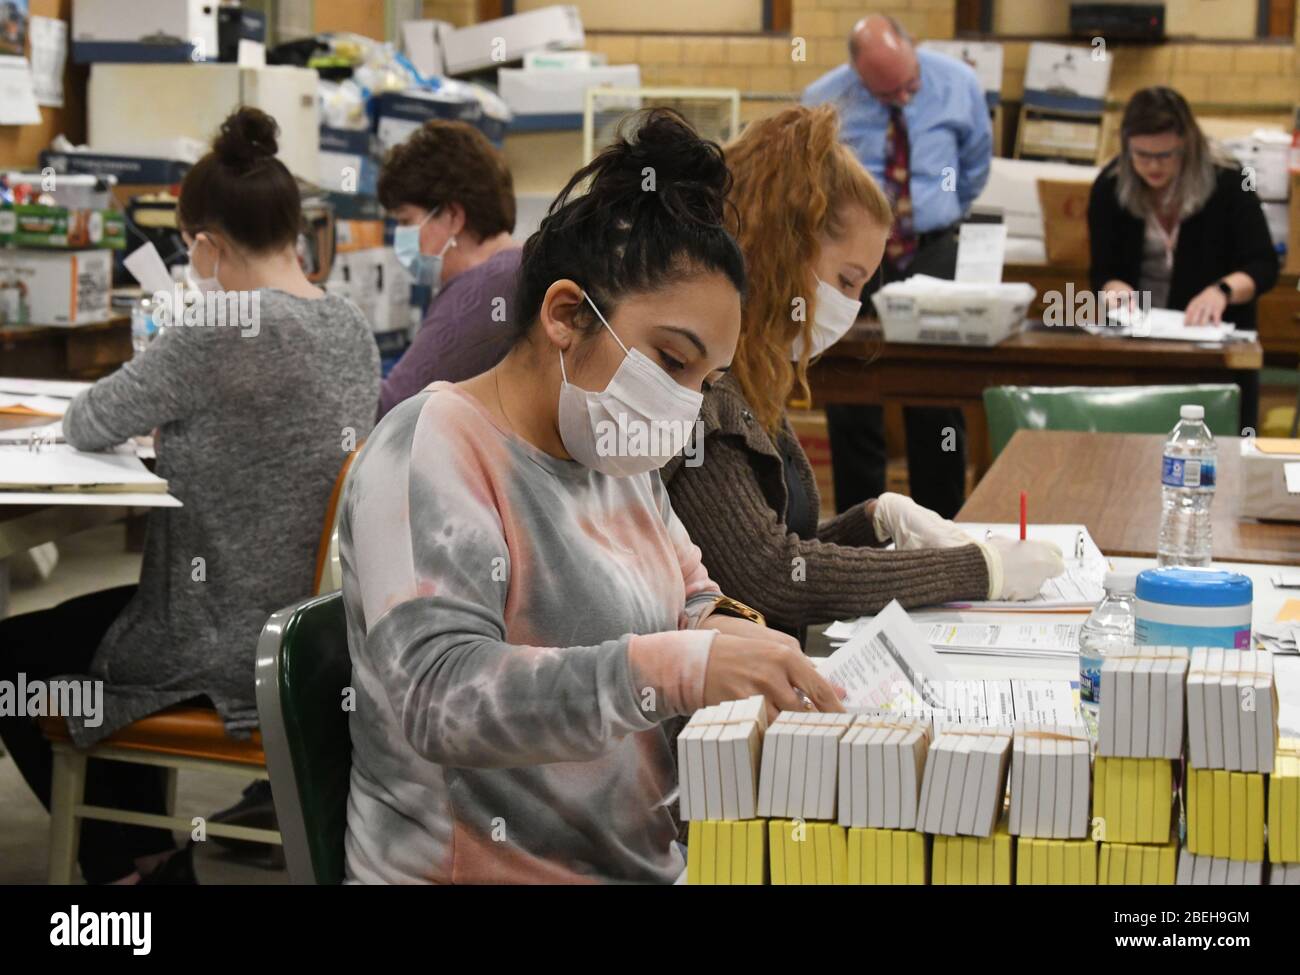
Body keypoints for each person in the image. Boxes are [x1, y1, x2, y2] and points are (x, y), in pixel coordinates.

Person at [338, 110, 842, 885]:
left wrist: (731, 636)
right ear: (566, 314)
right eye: (670, 360)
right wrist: (677, 667)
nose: (682, 403)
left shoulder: (617, 452)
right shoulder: (429, 449)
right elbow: (441, 698)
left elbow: (692, 593)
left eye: (704, 380)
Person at [0, 107, 380, 884]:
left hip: (215, 637)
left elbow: (90, 415)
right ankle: (152, 855)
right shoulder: (348, 324)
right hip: (305, 629)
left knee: (16, 658)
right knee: (80, 632)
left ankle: (124, 870)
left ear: (206, 243)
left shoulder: (219, 327)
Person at [662, 104, 1063, 638]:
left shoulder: (753, 371)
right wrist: (977, 571)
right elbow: (771, 577)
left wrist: (873, 521)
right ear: (785, 249)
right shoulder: (702, 379)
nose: (850, 307)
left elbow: (778, 553)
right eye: (847, 280)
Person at [802, 14, 992, 519]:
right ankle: (860, 526)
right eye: (887, 93)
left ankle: (942, 523)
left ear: (914, 48)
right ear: (858, 74)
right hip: (858, 258)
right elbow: (810, 187)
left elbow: (975, 167)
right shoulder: (823, 100)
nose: (903, 98)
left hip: (933, 248)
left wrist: (938, 215)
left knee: (935, 391)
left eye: (910, 85)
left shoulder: (959, 83)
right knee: (853, 390)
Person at [1088, 86, 1277, 430]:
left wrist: (1221, 290)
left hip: (1213, 352)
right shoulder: (1110, 186)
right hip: (1138, 348)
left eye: (1165, 155)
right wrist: (1113, 287)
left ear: (1187, 145)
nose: (1153, 166)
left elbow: (1263, 264)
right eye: (1142, 155)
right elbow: (1102, 270)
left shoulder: (1230, 181)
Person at [376, 120, 520, 417]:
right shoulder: (518, 265)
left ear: (453, 215)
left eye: (405, 221)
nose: (399, 236)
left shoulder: (485, 287)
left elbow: (394, 411)